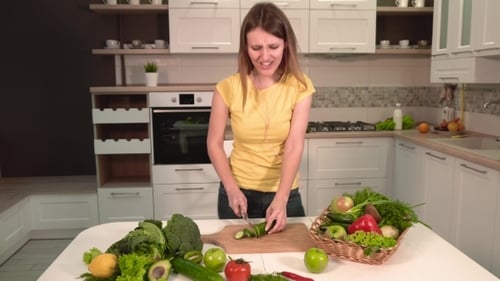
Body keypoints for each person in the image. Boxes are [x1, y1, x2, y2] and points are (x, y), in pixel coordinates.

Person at [206, 2, 315, 235]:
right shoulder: (227, 88)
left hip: (286, 194)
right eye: (256, 47)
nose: (265, 56)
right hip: (237, 194)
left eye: (273, 46)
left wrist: (282, 198)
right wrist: (232, 189)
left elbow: (294, 144)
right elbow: (214, 143)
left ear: (286, 45)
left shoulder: (300, 86)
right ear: (245, 48)